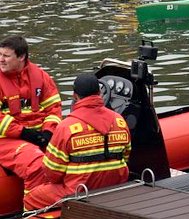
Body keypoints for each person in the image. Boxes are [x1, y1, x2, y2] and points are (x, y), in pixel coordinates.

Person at [23, 73, 131, 218]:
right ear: (99, 93)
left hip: (78, 191)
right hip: (115, 186)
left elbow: (52, 172)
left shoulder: (66, 127)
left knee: (31, 198)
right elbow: (126, 155)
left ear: (75, 96)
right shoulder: (119, 121)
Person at [0, 35, 62, 192]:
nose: (1, 59)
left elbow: (54, 109)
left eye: (6, 56)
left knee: (65, 156)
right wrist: (23, 133)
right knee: (36, 164)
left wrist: (48, 132)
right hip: (6, 139)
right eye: (0, 55)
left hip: (38, 135)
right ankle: (33, 209)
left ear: (21, 57)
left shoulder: (40, 76)